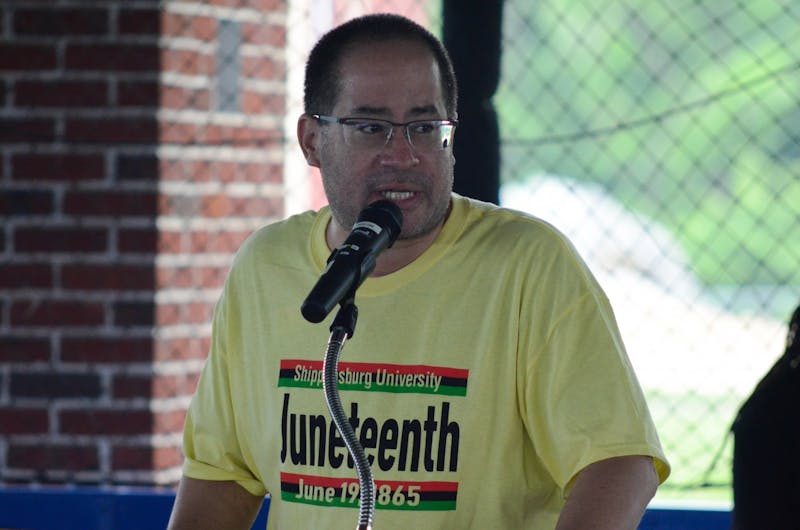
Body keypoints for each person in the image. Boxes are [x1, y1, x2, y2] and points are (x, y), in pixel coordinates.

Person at [167, 13, 670, 530]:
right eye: (371, 128)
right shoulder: (264, 267)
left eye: (424, 128)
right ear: (312, 141)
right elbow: (221, 474)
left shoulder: (528, 265)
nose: (403, 155)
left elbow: (620, 463)